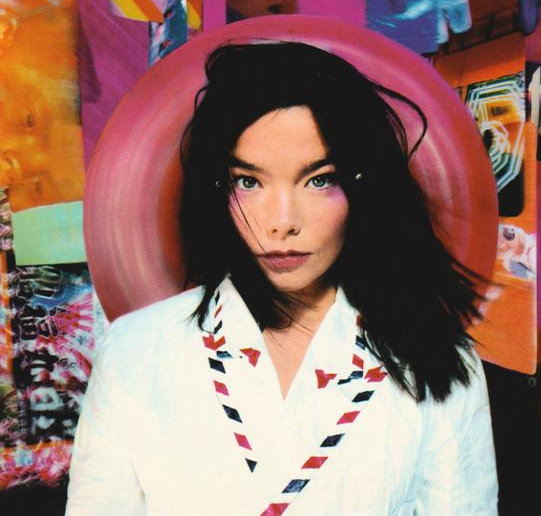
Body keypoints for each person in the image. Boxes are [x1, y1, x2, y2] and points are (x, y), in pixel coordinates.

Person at [66, 41, 498, 515]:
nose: (282, 222)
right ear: (218, 190)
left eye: (320, 179)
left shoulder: (436, 358)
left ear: (362, 185)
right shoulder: (135, 350)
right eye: (249, 182)